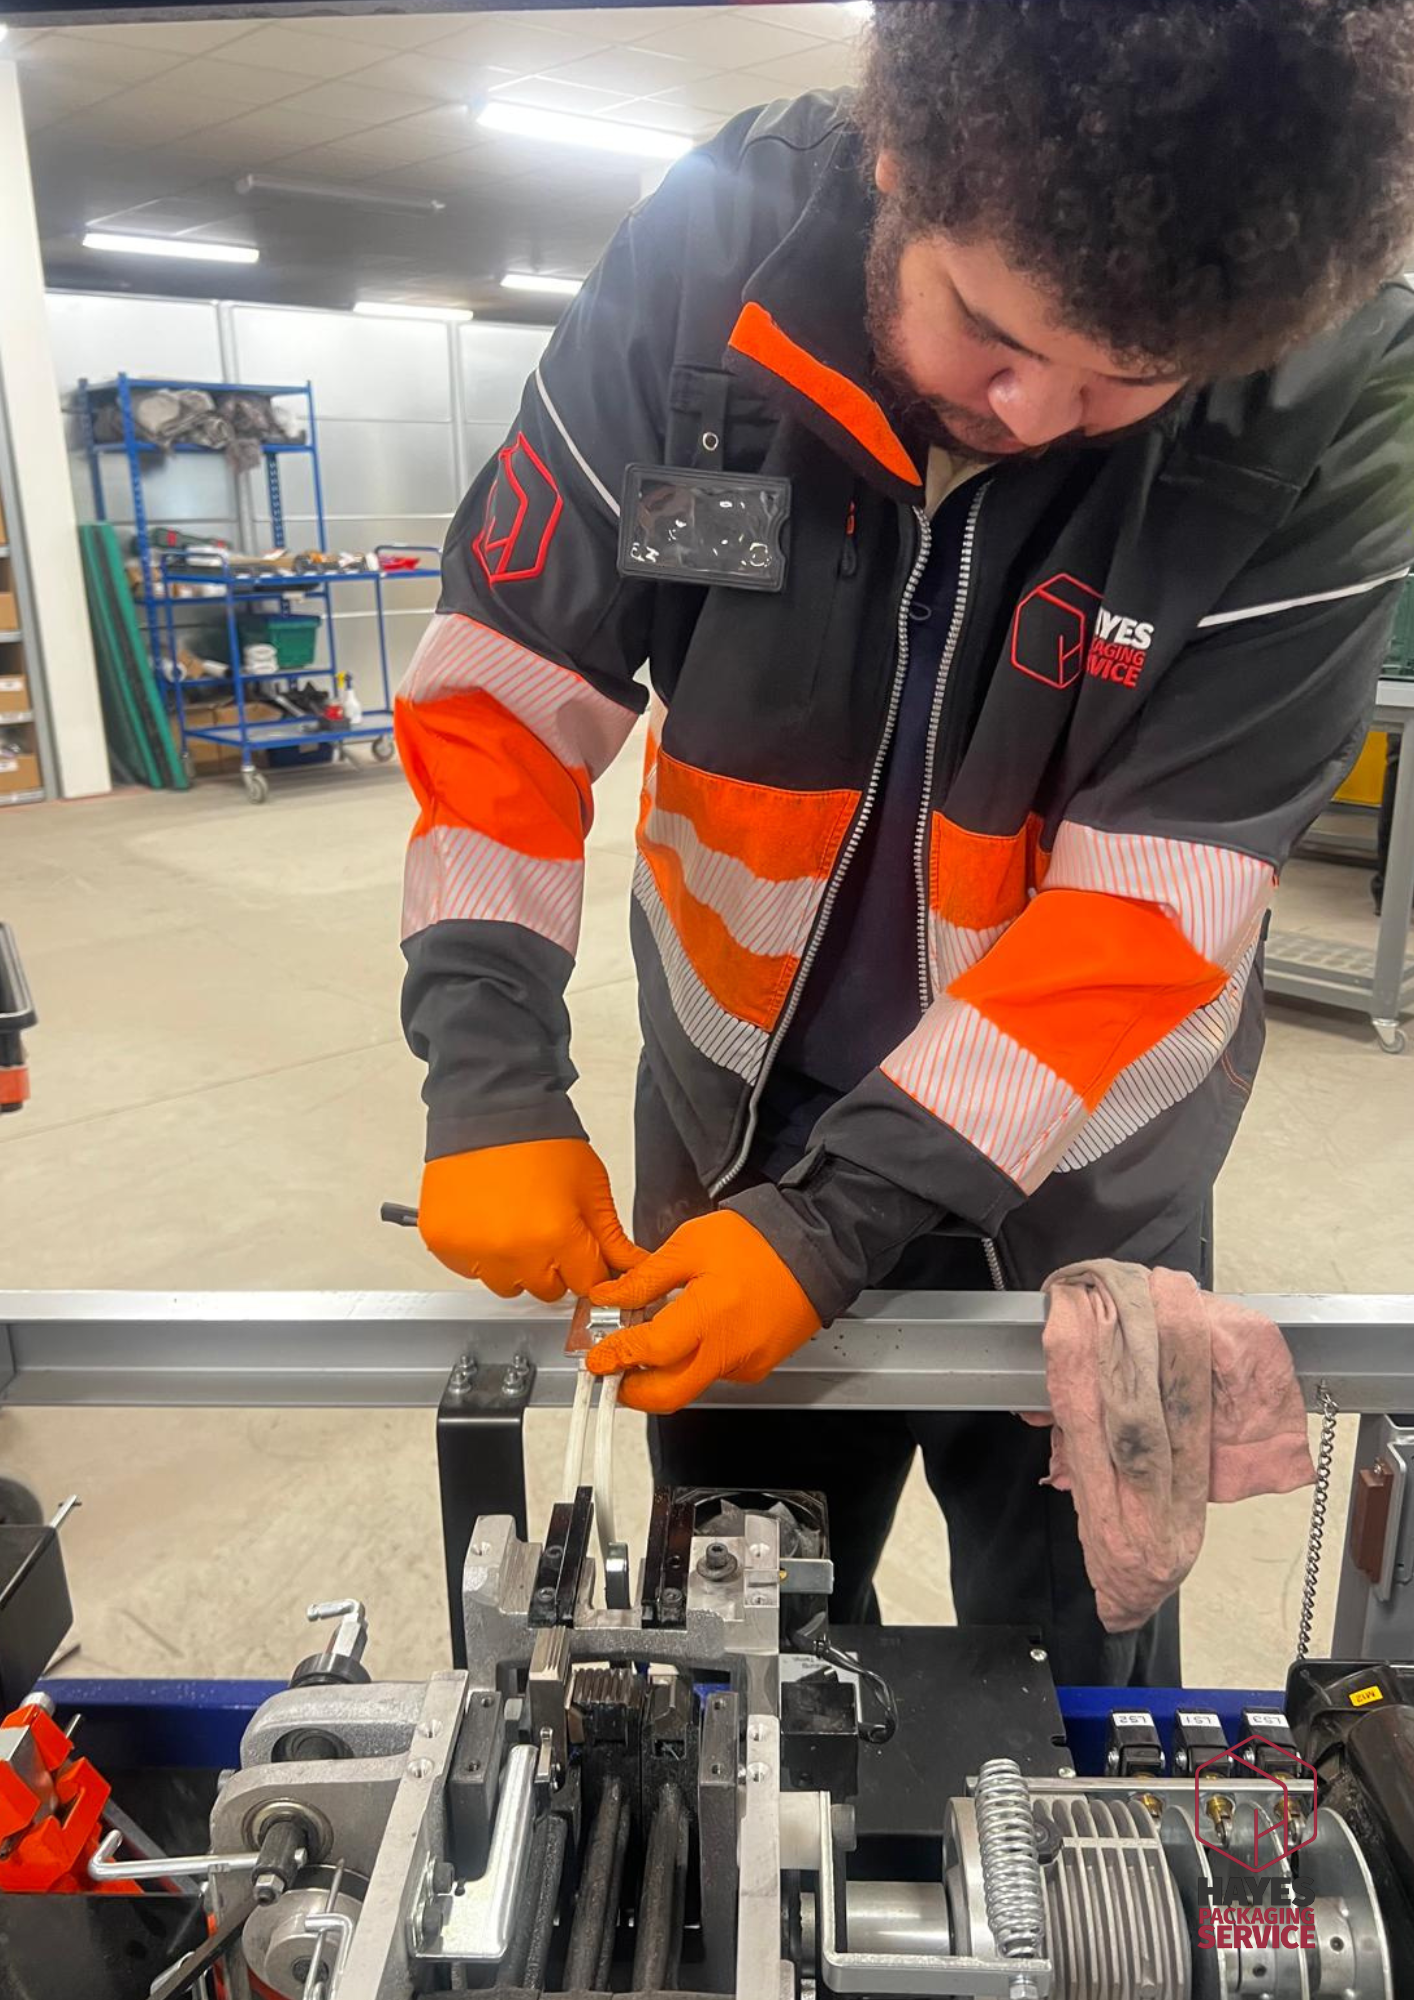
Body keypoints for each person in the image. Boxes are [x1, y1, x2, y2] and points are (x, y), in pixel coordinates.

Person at [396, 1, 1414, 1684]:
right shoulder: (709, 255)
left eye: (1128, 379)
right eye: (991, 330)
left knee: (1080, 1680)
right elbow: (505, 694)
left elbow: (1150, 914)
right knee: (741, 1666)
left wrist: (840, 1225)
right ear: (894, 156)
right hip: (732, 1146)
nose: (1041, 415)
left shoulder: (1333, 394)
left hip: (1082, 1196)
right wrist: (490, 1075)